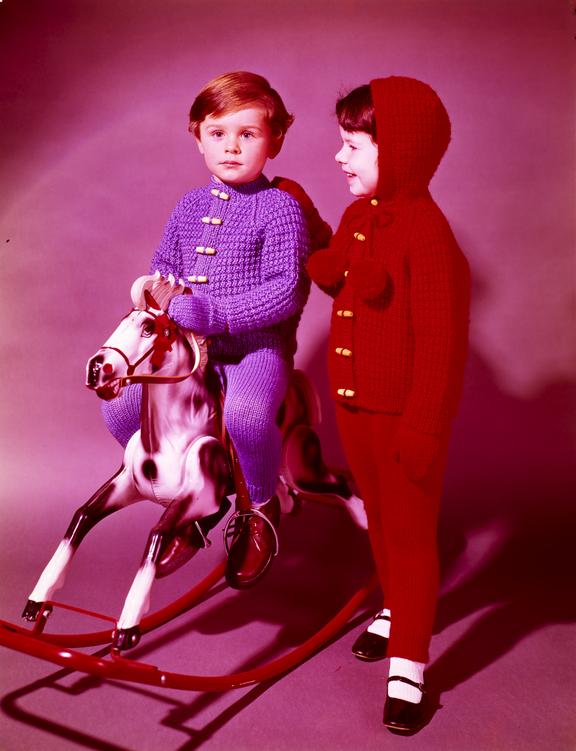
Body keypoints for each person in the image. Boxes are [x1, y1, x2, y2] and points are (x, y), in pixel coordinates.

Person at [102, 71, 330, 590]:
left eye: (247, 134)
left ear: (275, 140)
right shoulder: (187, 208)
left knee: (248, 415)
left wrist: (219, 314)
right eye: (218, 133)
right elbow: (167, 271)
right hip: (191, 352)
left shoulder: (281, 209)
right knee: (120, 409)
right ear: (197, 135)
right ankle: (202, 497)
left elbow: (286, 291)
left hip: (255, 347)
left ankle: (261, 511)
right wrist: (152, 297)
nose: (231, 147)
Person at [307, 77, 470, 733]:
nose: (340, 158)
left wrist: (425, 427)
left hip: (404, 418)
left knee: (408, 534)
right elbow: (349, 288)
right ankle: (398, 609)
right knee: (377, 520)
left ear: (397, 149)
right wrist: (327, 257)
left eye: (352, 145)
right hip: (355, 408)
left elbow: (440, 343)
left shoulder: (428, 235)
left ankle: (410, 662)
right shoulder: (356, 216)